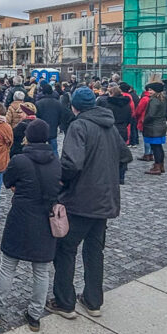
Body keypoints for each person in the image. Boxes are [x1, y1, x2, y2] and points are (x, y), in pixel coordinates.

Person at [47, 87, 132, 319]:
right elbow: (125, 155)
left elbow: (72, 164)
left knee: (65, 249)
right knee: (95, 251)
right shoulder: (109, 126)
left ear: (74, 106)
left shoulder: (79, 126)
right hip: (105, 199)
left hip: (82, 199)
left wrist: (61, 181)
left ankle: (65, 302)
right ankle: (93, 301)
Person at [0, 119, 61, 332]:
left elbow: (7, 182)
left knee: (8, 265)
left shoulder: (19, 160)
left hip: (21, 217)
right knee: (42, 271)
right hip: (45, 220)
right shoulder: (56, 162)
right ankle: (35, 314)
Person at [142, 82, 167, 175]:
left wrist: (144, 121)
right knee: (159, 147)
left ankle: (157, 167)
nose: (149, 92)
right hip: (160, 125)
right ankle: (160, 165)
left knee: (155, 147)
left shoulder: (154, 100)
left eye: (151, 90)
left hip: (153, 127)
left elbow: (151, 114)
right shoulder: (163, 99)